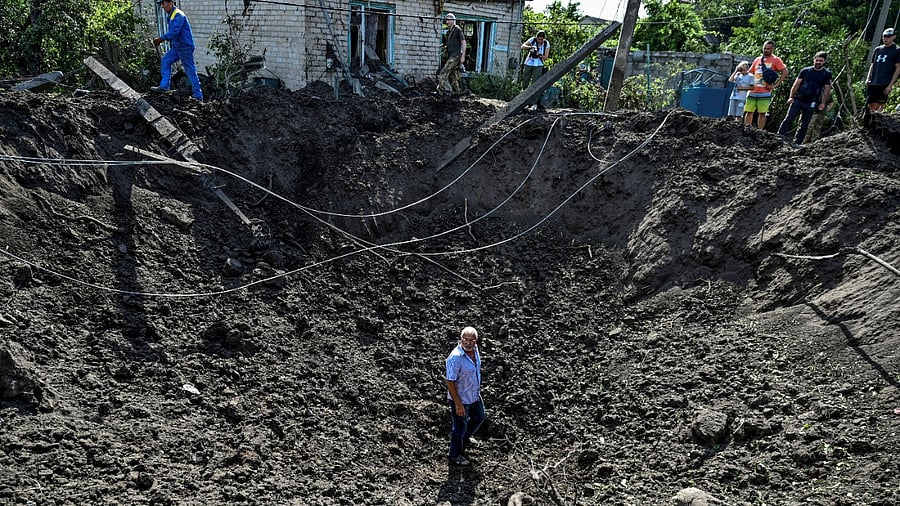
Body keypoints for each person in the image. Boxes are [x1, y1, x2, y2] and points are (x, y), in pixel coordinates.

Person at [445, 326, 485, 466]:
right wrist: (458, 404)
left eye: (471, 340)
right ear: (460, 339)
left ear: (476, 341)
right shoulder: (455, 358)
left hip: (473, 394)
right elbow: (450, 381)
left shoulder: (475, 350)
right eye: (465, 339)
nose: (468, 343)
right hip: (461, 399)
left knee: (479, 417)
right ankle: (454, 454)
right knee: (459, 426)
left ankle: (465, 438)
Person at [152, 0, 203, 101]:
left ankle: (198, 95)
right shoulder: (171, 15)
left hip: (185, 47)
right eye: (161, 4)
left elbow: (174, 32)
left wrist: (161, 39)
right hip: (177, 47)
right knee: (166, 60)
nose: (162, 7)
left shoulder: (178, 15)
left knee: (190, 70)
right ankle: (164, 86)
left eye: (163, 4)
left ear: (171, 3)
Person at [777, 51, 832, 144]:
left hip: (812, 102)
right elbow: (796, 84)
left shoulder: (826, 74)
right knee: (788, 119)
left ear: (824, 61)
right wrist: (791, 97)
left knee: (804, 124)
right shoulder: (805, 71)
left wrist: (823, 103)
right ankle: (779, 138)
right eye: (817, 60)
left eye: (820, 61)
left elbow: (827, 89)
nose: (818, 62)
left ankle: (797, 143)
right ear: (814, 59)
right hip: (798, 99)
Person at [744, 40, 788, 130]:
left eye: (768, 48)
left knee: (762, 112)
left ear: (772, 49)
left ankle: (760, 131)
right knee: (748, 111)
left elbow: (785, 72)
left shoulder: (776, 60)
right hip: (753, 90)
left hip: (765, 91)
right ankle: (746, 129)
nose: (766, 50)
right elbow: (750, 72)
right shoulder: (757, 59)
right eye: (764, 48)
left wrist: (775, 85)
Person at [865, 27, 900, 112]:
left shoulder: (897, 50)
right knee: (871, 104)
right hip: (874, 81)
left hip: (885, 82)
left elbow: (898, 68)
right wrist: (868, 78)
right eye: (884, 36)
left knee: (880, 105)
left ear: (893, 36)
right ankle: (870, 121)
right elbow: (872, 65)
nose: (886, 38)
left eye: (888, 36)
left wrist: (890, 85)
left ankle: (877, 123)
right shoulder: (877, 49)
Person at [436, 13, 466, 93]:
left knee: (444, 71)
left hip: (456, 56)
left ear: (453, 20)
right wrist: (443, 46)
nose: (447, 22)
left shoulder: (457, 30)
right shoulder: (448, 32)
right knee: (452, 76)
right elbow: (449, 43)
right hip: (450, 55)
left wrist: (463, 56)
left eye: (448, 20)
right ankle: (457, 93)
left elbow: (463, 43)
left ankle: (440, 91)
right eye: (446, 20)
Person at [521, 31, 550, 108]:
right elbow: (523, 46)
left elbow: (546, 57)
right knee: (525, 81)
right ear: (536, 38)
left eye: (541, 39)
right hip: (529, 62)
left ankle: (534, 103)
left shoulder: (546, 44)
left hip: (538, 64)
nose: (540, 41)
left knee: (535, 83)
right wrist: (530, 48)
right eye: (539, 39)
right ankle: (523, 101)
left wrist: (538, 54)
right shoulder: (532, 40)